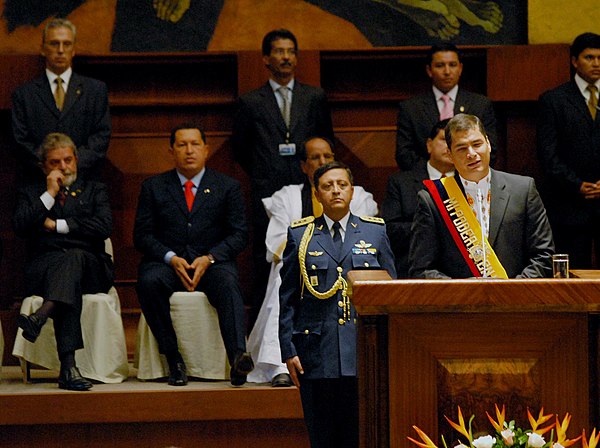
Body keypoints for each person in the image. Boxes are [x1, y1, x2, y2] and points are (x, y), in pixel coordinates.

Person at [279, 161, 396, 447]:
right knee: (322, 435)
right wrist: (288, 349)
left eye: (342, 185)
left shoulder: (374, 232)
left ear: (352, 191)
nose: (335, 191)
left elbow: (391, 293)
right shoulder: (301, 235)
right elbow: (288, 296)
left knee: (361, 433)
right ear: (316, 194)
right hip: (316, 351)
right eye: (327, 186)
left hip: (363, 349)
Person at [247, 137, 378, 387]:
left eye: (327, 157)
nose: (322, 162)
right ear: (304, 166)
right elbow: (275, 243)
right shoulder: (287, 196)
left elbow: (366, 237)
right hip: (302, 266)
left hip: (348, 266)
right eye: (315, 158)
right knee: (281, 276)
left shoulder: (358, 195)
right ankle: (278, 363)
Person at [133, 123, 253, 387]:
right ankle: (173, 359)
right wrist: (170, 257)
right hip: (168, 264)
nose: (189, 150)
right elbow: (142, 235)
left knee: (229, 284)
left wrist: (210, 258)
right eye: (182, 145)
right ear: (171, 151)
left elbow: (238, 234)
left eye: (195, 144)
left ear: (206, 149)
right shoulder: (153, 187)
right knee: (148, 282)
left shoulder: (227, 186)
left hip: (211, 263)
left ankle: (237, 358)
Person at [231, 28, 334, 310]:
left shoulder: (314, 97)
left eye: (290, 52)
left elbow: (326, 138)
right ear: (266, 58)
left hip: (309, 187)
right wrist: (264, 169)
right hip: (268, 187)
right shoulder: (251, 102)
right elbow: (240, 148)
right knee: (267, 255)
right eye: (279, 51)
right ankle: (266, 324)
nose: (285, 57)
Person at [14, 133, 114, 391]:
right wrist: (49, 194)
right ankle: (68, 368)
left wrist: (58, 225)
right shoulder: (31, 193)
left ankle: (42, 316)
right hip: (45, 268)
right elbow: (21, 226)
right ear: (43, 166)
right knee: (67, 277)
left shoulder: (95, 190)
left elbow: (102, 226)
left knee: (74, 259)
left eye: (68, 160)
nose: (63, 167)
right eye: (55, 162)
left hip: (92, 267)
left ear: (77, 160)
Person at [408, 114, 554, 279]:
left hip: (515, 300)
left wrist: (512, 290)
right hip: (459, 302)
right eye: (462, 148)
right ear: (449, 155)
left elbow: (544, 256)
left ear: (488, 144)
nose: (471, 154)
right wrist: (466, 291)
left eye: (477, 144)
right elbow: (421, 270)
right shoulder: (432, 199)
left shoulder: (523, 189)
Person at [11, 18, 111, 183]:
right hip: (38, 183)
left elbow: (101, 136)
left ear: (74, 50)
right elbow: (20, 141)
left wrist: (71, 166)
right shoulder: (24, 94)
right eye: (54, 44)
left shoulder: (95, 91)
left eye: (67, 44)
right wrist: (49, 166)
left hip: (84, 184)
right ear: (43, 49)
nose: (60, 50)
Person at [537, 32, 600, 269]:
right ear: (575, 61)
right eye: (589, 57)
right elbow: (548, 155)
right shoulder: (554, 100)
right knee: (572, 273)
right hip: (569, 203)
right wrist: (578, 185)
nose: (596, 64)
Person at [395, 43, 497, 171]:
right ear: (429, 70)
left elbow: (490, 149)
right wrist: (435, 173)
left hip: (470, 178)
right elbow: (404, 154)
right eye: (440, 65)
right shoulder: (411, 108)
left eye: (452, 65)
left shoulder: (480, 105)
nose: (447, 71)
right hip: (426, 181)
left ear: (460, 68)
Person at [382, 119, 454, 277]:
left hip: (458, 274)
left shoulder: (468, 183)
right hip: (410, 269)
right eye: (444, 140)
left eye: (454, 142)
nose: (449, 147)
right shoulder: (401, 183)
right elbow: (389, 230)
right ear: (429, 144)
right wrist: (432, 228)